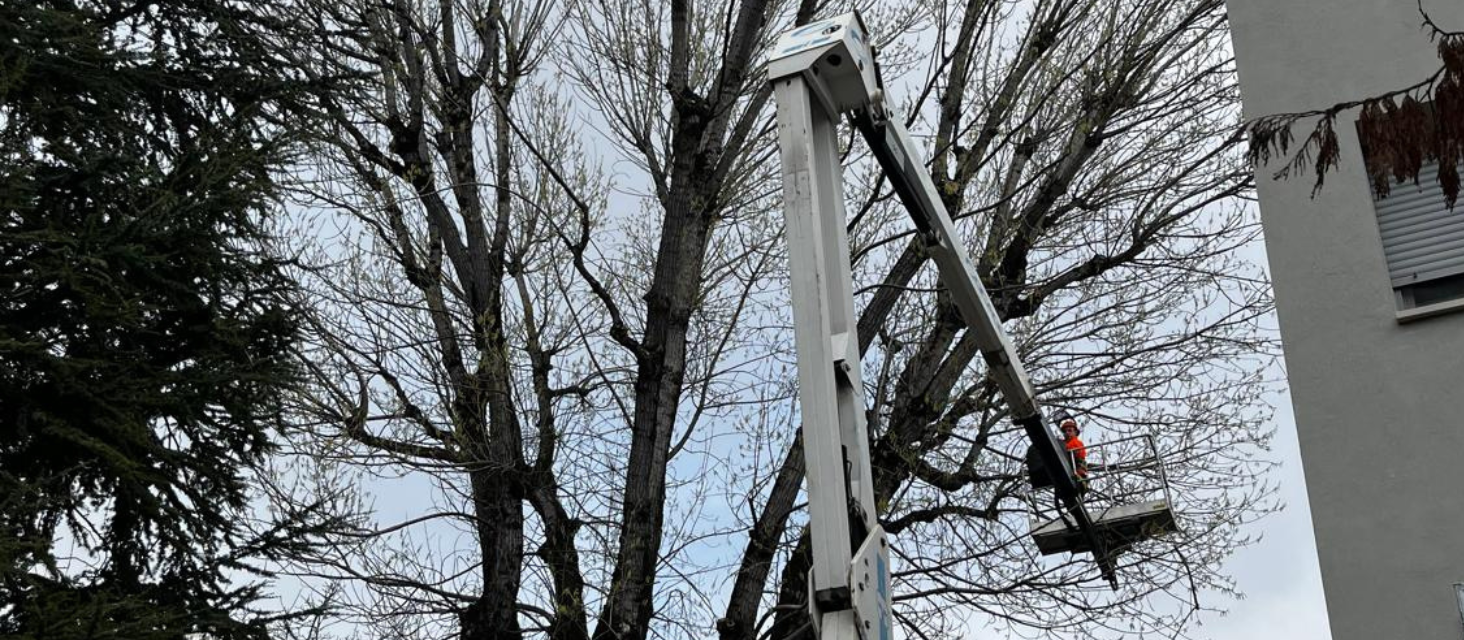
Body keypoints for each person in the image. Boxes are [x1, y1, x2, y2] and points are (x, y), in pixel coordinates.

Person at [1059, 416, 1089, 494]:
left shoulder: (1076, 442)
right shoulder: (1063, 443)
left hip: (1077, 468)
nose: (1067, 433)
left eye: (1069, 430)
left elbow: (1077, 454)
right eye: (1065, 431)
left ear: (1075, 432)